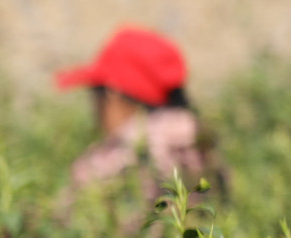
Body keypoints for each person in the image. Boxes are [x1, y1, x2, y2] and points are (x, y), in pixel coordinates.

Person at [54, 27, 226, 226]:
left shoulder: (115, 160)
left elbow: (64, 226)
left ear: (113, 93)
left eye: (96, 93)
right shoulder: (198, 138)